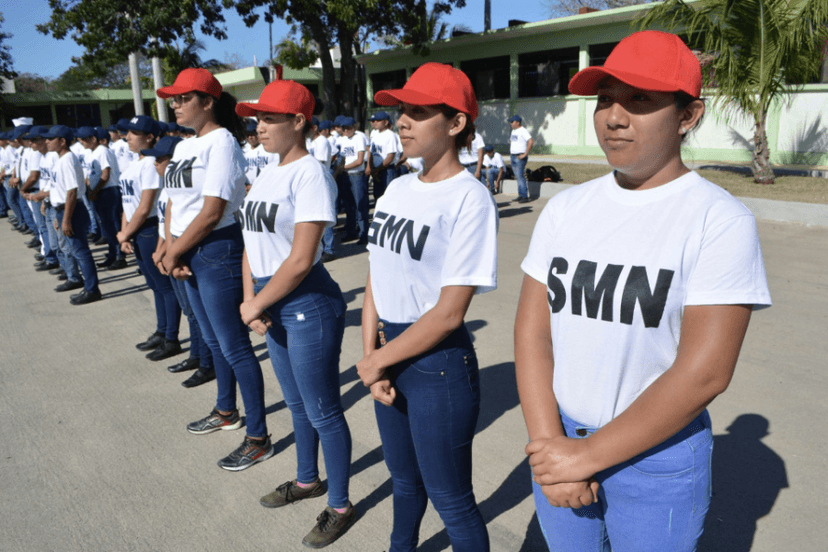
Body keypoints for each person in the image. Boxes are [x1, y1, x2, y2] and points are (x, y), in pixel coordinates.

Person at [514, 31, 772, 552]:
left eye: (641, 100)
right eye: (605, 99)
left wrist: (585, 458)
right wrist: (552, 447)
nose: (614, 116)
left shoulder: (718, 221)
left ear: (688, 115)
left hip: (658, 460)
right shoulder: (566, 209)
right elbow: (532, 332)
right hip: (559, 436)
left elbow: (705, 372)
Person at [357, 62, 498, 552]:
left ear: (456, 123)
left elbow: (449, 312)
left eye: (417, 111)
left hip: (437, 364)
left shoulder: (470, 199)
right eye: (401, 111)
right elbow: (377, 273)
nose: (402, 121)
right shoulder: (397, 187)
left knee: (451, 499)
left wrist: (378, 360)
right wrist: (372, 352)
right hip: (389, 355)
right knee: (404, 483)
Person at [235, 79, 356, 549]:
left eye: (268, 118)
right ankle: (307, 480)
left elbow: (303, 258)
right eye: (257, 118)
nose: (259, 126)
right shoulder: (267, 172)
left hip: (307, 304)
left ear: (298, 121)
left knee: (324, 410)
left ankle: (341, 505)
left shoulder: (310, 174)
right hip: (269, 301)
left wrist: (258, 304)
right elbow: (251, 244)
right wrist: (252, 302)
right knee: (297, 405)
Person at [155, 68, 272, 472]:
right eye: (173, 99)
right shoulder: (186, 146)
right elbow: (173, 203)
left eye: (183, 98)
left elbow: (212, 212)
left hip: (216, 249)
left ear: (207, 101)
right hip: (187, 251)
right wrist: (168, 246)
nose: (175, 104)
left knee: (235, 346)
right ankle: (226, 411)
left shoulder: (222, 143)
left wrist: (176, 251)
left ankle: (258, 437)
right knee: (212, 338)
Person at [115, 116, 183, 362]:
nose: (128, 137)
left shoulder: (150, 165)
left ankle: (171, 338)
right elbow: (127, 204)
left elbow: (144, 208)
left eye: (135, 133)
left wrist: (127, 233)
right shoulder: (134, 163)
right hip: (135, 230)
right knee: (154, 286)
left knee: (165, 288)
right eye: (128, 132)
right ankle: (161, 329)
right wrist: (124, 234)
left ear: (151, 137)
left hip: (149, 229)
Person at [44, 125, 101, 305]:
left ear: (62, 141)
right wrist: (58, 217)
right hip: (64, 210)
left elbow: (71, 192)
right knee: (77, 251)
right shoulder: (61, 159)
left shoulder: (68, 159)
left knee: (81, 251)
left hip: (72, 210)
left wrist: (66, 219)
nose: (47, 141)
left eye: (51, 139)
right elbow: (59, 191)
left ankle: (92, 289)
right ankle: (88, 287)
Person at [78, 127, 127, 271]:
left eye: (85, 139)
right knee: (106, 226)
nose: (82, 142)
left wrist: (95, 190)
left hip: (107, 191)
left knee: (113, 225)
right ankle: (112, 254)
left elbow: (105, 174)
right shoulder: (92, 153)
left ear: (93, 139)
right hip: (100, 191)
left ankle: (120, 255)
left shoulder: (102, 151)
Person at [367, 111, 401, 200]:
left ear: (386, 122)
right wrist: (372, 168)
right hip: (376, 170)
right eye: (374, 121)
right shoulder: (374, 134)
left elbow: (390, 156)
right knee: (378, 196)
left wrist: (377, 170)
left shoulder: (390, 135)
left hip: (387, 170)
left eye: (378, 120)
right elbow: (371, 153)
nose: (375, 123)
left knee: (388, 196)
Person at [508, 114, 533, 203]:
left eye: (512, 122)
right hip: (513, 156)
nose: (510, 123)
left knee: (520, 176)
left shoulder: (523, 131)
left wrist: (525, 154)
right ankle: (521, 195)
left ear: (518, 122)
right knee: (517, 176)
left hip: (520, 156)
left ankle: (524, 197)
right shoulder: (513, 131)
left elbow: (530, 141)